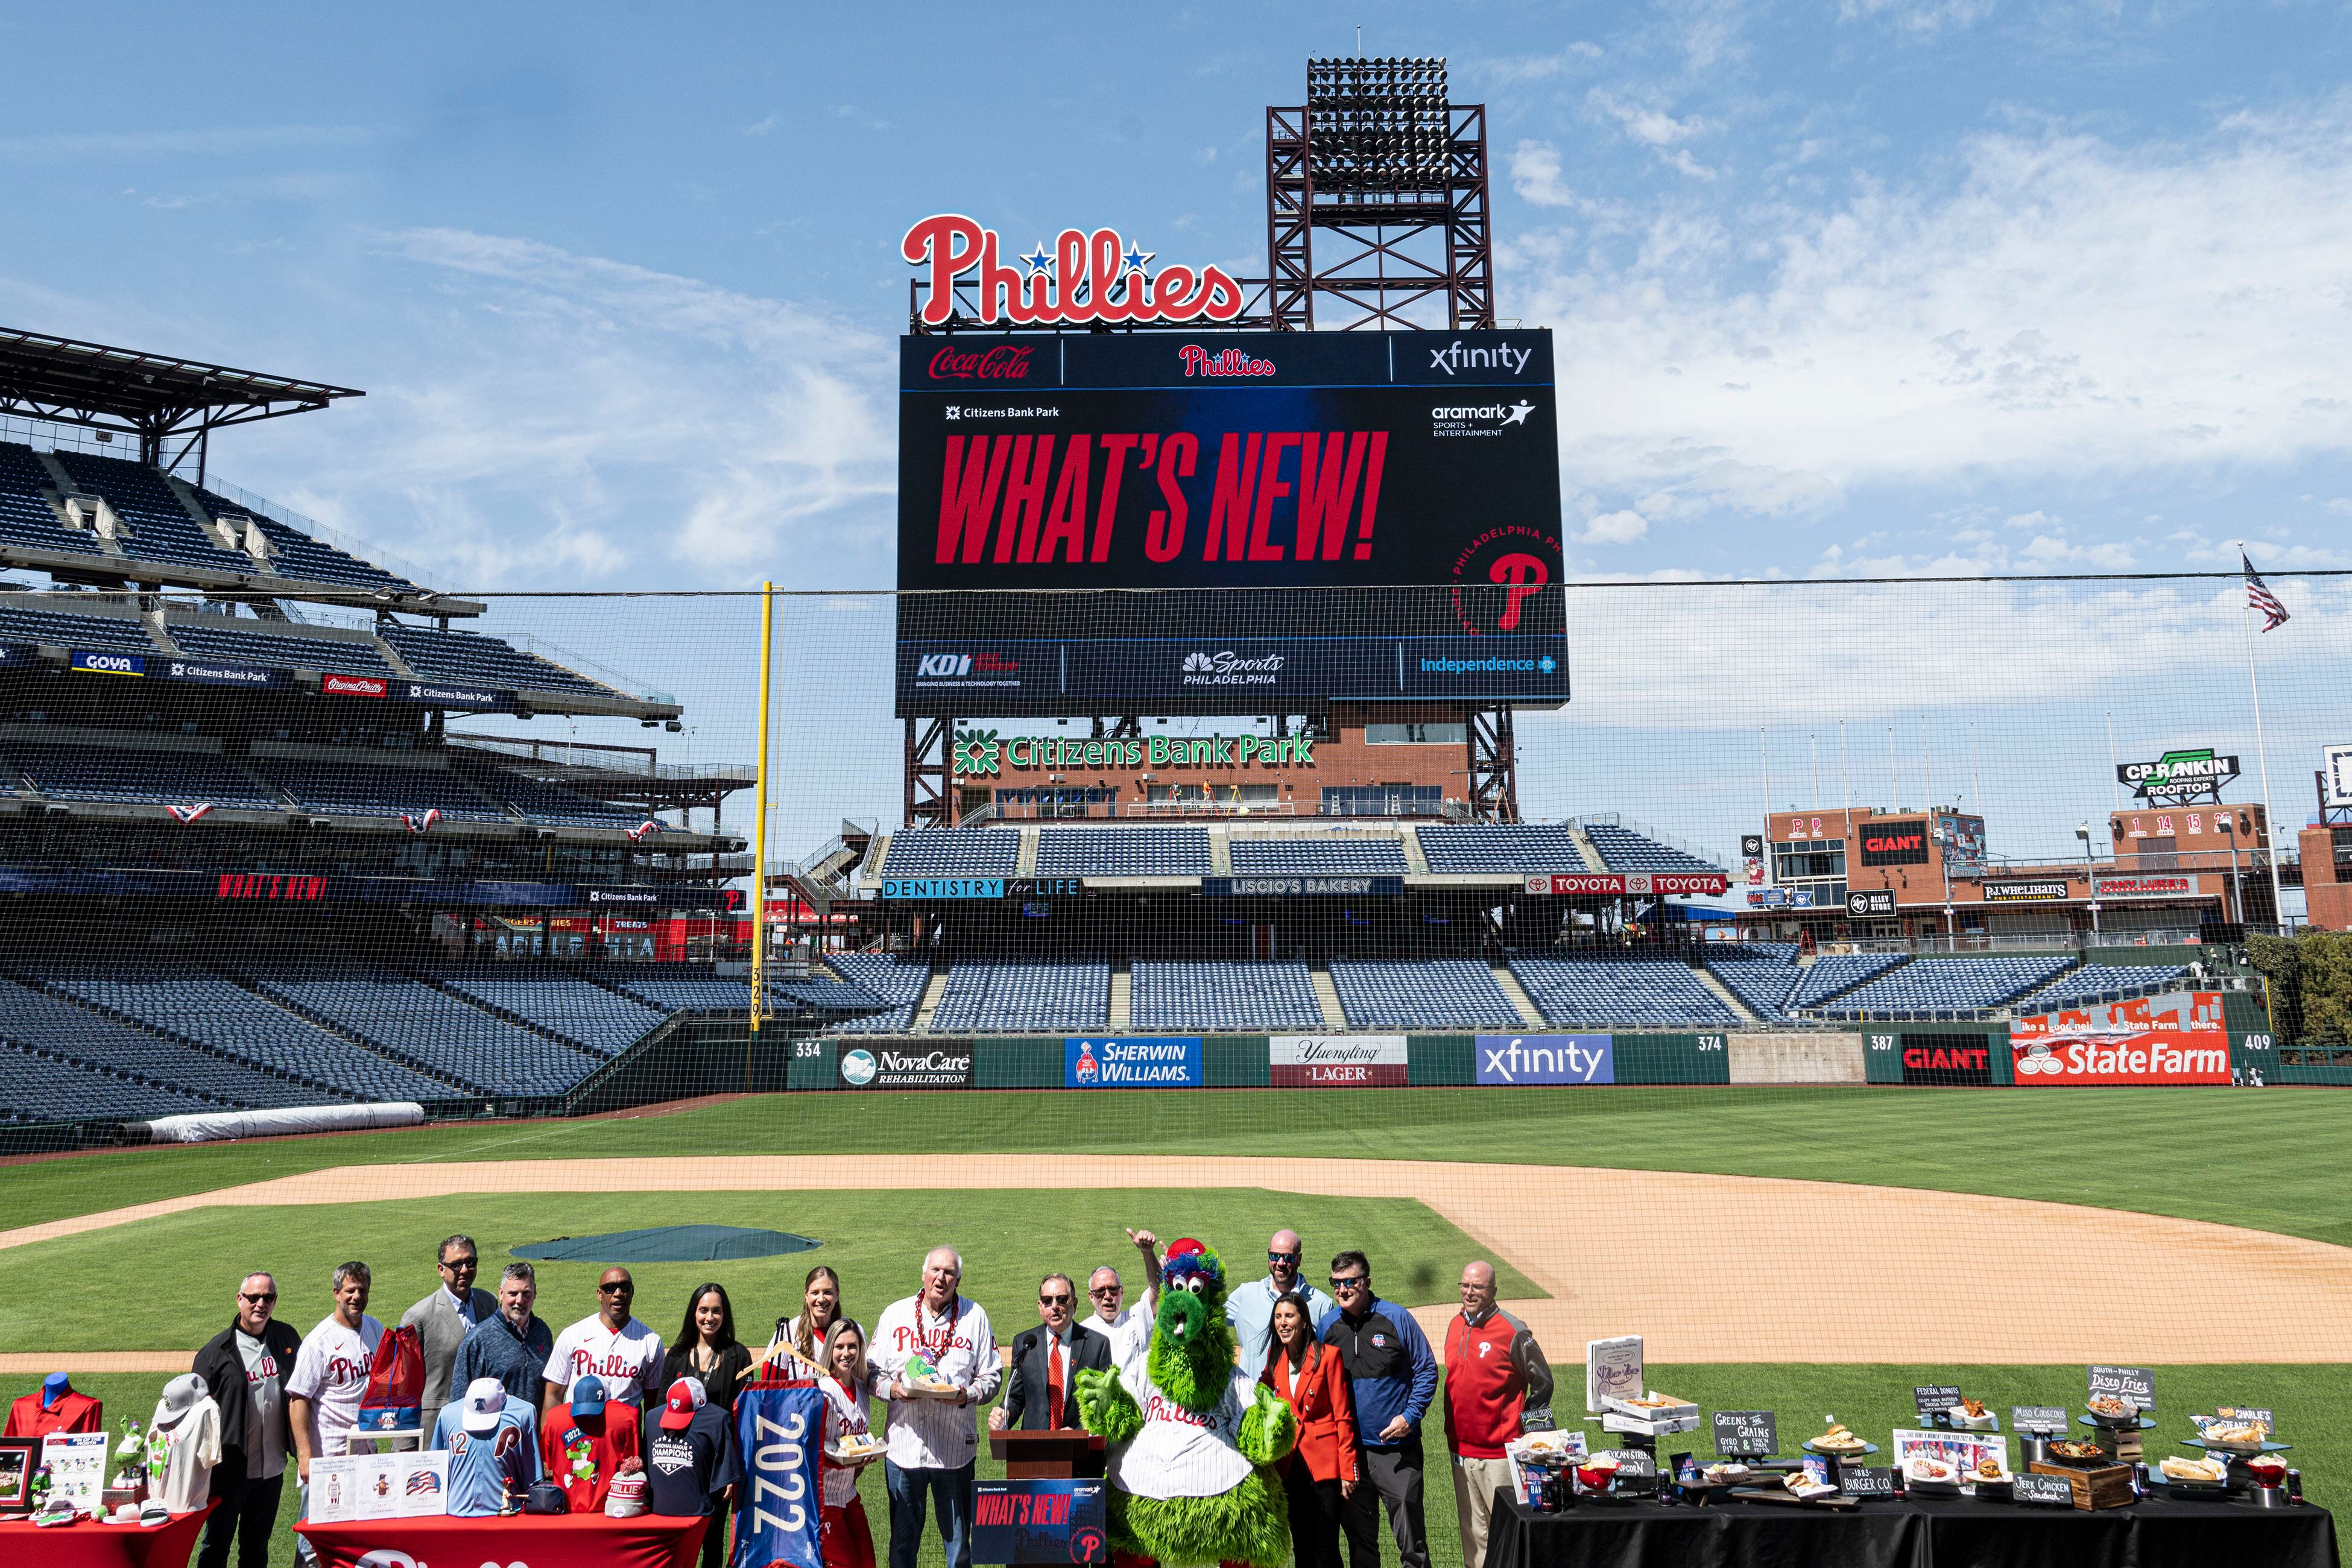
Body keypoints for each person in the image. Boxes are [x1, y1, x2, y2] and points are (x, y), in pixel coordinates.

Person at [872, 1245, 999, 1568]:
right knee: (902, 1548)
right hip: (904, 1450)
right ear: (923, 1274)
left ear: (958, 1280)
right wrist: (895, 1390)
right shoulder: (895, 1314)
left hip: (954, 1451)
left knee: (958, 1551)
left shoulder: (975, 1317)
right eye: (935, 1271)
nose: (941, 1278)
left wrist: (966, 1395)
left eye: (949, 1273)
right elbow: (870, 1372)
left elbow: (993, 1375)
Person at [1320, 1251, 1436, 1568]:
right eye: (1336, 1283)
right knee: (1361, 1543)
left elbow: (1426, 1370)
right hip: (1350, 1454)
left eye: (1350, 1282)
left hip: (1396, 1453)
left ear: (1367, 1282)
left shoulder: (1396, 1318)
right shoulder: (1327, 1326)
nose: (1343, 1289)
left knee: (1411, 1541)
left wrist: (1411, 1417)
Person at [1442, 1263, 1553, 1568]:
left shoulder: (1513, 1330)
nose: (1469, 1292)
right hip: (1461, 1452)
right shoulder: (1455, 1325)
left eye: (1477, 1287)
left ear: (1493, 1291)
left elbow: (1543, 1382)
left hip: (1500, 1455)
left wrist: (1522, 1423)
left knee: (1507, 1534)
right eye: (1465, 1285)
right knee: (1474, 1537)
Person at [194, 1271, 301, 1568]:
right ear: (240, 1300)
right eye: (254, 1298)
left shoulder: (286, 1338)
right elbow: (193, 1417)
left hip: (272, 1470)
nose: (261, 1304)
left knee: (256, 1548)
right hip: (229, 1472)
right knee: (216, 1546)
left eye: (268, 1298)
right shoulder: (215, 1353)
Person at [285, 1262, 384, 1563]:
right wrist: (305, 1454)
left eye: (362, 1290)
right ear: (336, 1293)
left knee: (360, 1538)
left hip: (365, 1454)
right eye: (350, 1290)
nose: (356, 1296)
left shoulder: (375, 1328)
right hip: (328, 1459)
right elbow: (298, 1399)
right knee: (313, 1543)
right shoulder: (319, 1341)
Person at [1262, 1291, 1356, 1568]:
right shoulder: (1275, 1358)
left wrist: (1348, 1472)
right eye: (1278, 1317)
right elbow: (1263, 1394)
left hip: (1324, 1467)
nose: (1283, 1323)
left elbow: (1343, 1417)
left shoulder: (1328, 1357)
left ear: (1304, 1321)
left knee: (1326, 1547)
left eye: (1289, 1316)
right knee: (1301, 1545)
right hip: (1290, 1467)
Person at [399, 1234, 496, 1447]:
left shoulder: (488, 1303)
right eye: (456, 1265)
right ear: (441, 1270)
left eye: (470, 1263)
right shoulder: (418, 1317)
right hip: (437, 1428)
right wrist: (405, 1443)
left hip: (486, 1421)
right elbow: (405, 1384)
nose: (464, 1270)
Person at [990, 1274, 1111, 1433]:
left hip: (1080, 1451)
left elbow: (1104, 1402)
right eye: (1048, 1301)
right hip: (1035, 1450)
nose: (1054, 1306)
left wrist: (1079, 1432)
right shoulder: (1025, 1344)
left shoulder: (1097, 1345)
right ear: (1040, 1307)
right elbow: (1016, 1397)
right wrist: (1004, 1416)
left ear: (1074, 1304)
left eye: (1061, 1299)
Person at [547, 1266, 665, 1412]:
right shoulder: (572, 1335)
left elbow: (653, 1406)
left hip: (624, 1433)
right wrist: (549, 1434)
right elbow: (553, 1394)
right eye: (610, 1288)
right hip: (577, 1432)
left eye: (624, 1287)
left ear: (632, 1292)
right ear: (599, 1294)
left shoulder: (651, 1342)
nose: (618, 1294)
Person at [817, 1319, 881, 1568]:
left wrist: (865, 1456)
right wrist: (846, 1461)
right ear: (830, 1349)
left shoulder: (862, 1388)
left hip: (849, 1494)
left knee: (867, 1563)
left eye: (852, 1346)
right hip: (825, 1498)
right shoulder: (822, 1391)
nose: (846, 1354)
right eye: (839, 1346)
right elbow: (812, 1451)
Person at [432, 1376, 540, 1519]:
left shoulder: (524, 1413)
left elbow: (531, 1479)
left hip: (507, 1516)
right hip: (455, 1513)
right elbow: (436, 1470)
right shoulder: (447, 1415)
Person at [1227, 1228, 1335, 1372]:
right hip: (1253, 1394)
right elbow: (1206, 1319)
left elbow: (1332, 1359)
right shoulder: (1245, 1295)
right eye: (1274, 1256)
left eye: (1288, 1257)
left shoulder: (1322, 1304)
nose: (1280, 1263)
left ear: (1299, 1259)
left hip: (1297, 1394)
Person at [640, 1376, 742, 1526]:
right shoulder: (652, 1418)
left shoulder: (718, 1419)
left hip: (699, 1515)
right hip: (658, 1513)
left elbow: (726, 1472)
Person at [451, 1263, 555, 1407]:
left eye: (526, 1293)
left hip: (535, 1429)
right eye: (513, 1294)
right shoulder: (478, 1340)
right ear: (501, 1293)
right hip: (494, 1428)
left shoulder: (542, 1333)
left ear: (535, 1293)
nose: (519, 1301)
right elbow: (459, 1400)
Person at [541, 1374, 641, 1514]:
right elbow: (632, 1466)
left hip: (568, 1509)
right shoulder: (626, 1418)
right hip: (607, 1509)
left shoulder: (554, 1419)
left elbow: (549, 1465)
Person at [1080, 1229, 1165, 1371]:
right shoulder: (1082, 1332)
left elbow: (1158, 1290)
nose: (1107, 1296)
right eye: (1100, 1292)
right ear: (1091, 1297)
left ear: (1121, 1291)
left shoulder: (1137, 1319)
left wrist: (1148, 1252)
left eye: (1113, 1289)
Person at [664, 1283, 753, 1417]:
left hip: (722, 1437)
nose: (710, 1318)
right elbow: (661, 1406)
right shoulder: (676, 1356)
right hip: (684, 1437)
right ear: (694, 1313)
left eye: (716, 1311)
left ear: (724, 1314)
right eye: (704, 1310)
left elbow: (747, 1411)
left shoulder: (740, 1356)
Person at [762, 1265, 844, 1374]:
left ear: (837, 1295)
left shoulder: (851, 1332)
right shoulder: (788, 1333)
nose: (821, 1299)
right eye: (815, 1293)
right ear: (806, 1295)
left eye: (827, 1292)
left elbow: (862, 1380)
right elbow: (770, 1386)